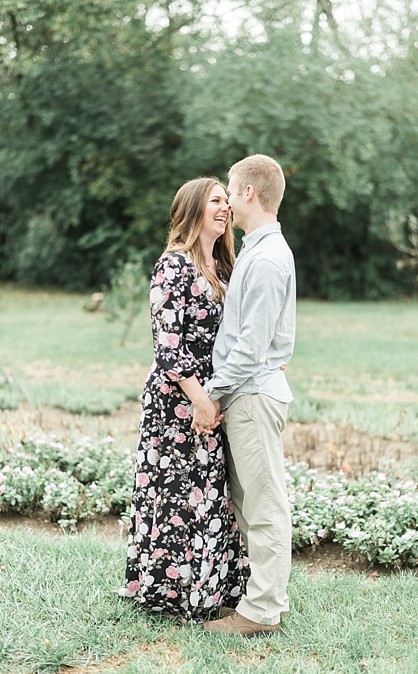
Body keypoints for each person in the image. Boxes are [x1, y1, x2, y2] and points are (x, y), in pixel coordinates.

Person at [119, 177, 248, 621]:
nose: (225, 208)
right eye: (215, 200)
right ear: (193, 208)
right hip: (178, 400)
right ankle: (168, 592)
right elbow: (167, 345)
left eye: (227, 201)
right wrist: (199, 399)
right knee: (174, 493)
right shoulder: (173, 266)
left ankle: (212, 589)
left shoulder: (225, 265)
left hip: (211, 396)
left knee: (210, 493)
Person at [200, 154, 296, 637]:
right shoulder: (262, 252)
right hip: (252, 392)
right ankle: (256, 602)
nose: (228, 204)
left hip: (252, 395)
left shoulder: (264, 258)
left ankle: (261, 613)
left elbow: (249, 348)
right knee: (251, 505)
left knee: (265, 507)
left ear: (249, 194)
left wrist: (211, 395)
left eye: (232, 193)